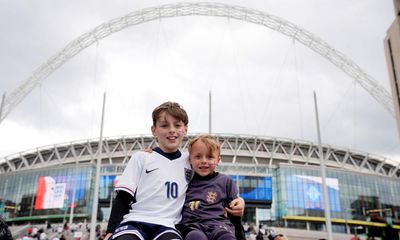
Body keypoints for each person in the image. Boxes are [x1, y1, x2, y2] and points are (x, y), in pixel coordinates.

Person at [104, 102, 244, 240]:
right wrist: (110, 230)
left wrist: (239, 201)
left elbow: (213, 181)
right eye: (164, 125)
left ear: (185, 129)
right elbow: (123, 198)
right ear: (154, 130)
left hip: (168, 225)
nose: (172, 130)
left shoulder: (190, 161)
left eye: (177, 125)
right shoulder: (141, 157)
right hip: (135, 221)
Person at [178, 135, 245, 240]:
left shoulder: (226, 181)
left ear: (218, 160)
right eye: (198, 156)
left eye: (209, 157)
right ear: (189, 159)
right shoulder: (184, 180)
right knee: (195, 237)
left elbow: (235, 214)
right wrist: (150, 155)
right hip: (191, 227)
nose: (204, 161)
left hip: (220, 226)